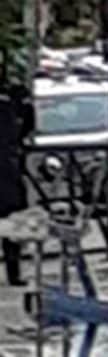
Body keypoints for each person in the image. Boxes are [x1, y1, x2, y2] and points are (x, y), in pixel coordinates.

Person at [0, 61, 33, 286]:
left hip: (7, 165)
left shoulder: (12, 95)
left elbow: (28, 119)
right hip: (7, 163)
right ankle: (14, 271)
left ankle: (14, 270)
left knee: (12, 220)